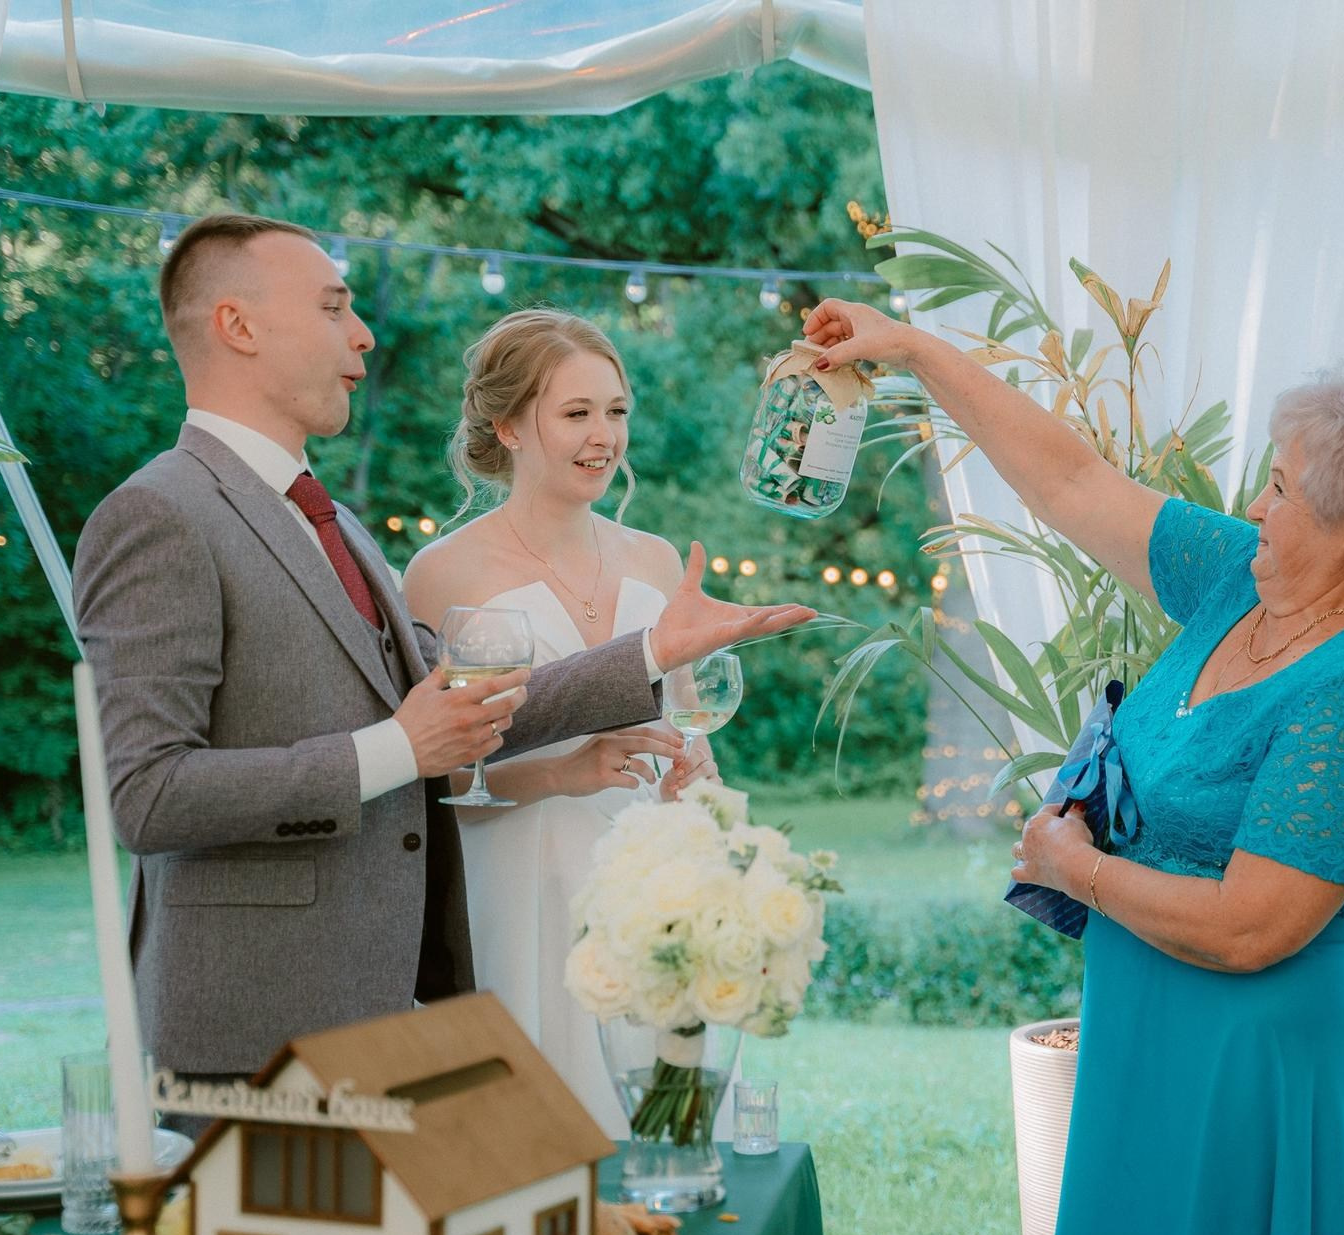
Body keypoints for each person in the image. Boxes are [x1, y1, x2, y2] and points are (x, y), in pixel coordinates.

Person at [806, 298, 1344, 1235]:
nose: (1257, 505)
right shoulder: (1241, 581)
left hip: (1253, 1062)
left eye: (1279, 488)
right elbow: (1072, 480)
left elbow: (1254, 925)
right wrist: (909, 350)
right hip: (1144, 1023)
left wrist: (1068, 864)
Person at [71, 214, 813, 1105]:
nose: (364, 333)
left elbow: (471, 708)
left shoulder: (332, 522)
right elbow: (146, 794)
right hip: (251, 1034)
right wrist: (397, 749)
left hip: (375, 1013)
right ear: (239, 326)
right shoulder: (158, 513)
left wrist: (655, 649)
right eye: (334, 306)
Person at [403, 308, 719, 1136]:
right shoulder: (442, 572)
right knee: (547, 1126)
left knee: (664, 1122)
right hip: (523, 882)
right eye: (576, 413)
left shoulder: (654, 557)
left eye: (615, 412)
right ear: (507, 425)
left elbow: (694, 729)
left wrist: (697, 775)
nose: (603, 436)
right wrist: (562, 772)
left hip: (652, 878)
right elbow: (435, 781)